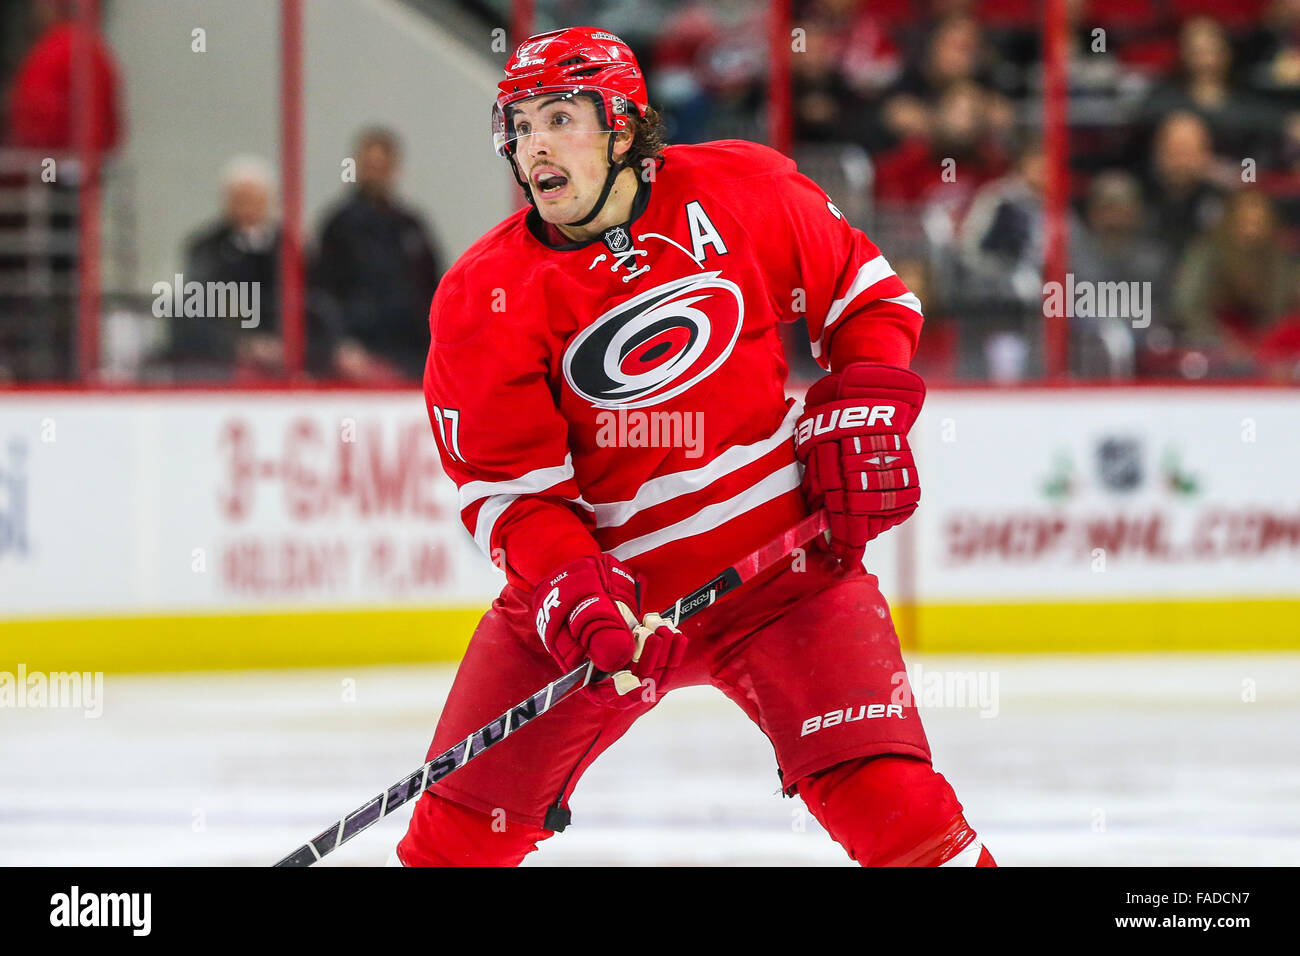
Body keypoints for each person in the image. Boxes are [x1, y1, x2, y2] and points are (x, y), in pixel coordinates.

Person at [395, 27, 995, 868]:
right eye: (520, 125)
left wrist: (865, 404)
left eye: (560, 117)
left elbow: (865, 300)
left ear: (626, 126)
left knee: (897, 811)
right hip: (607, 606)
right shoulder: (482, 298)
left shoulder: (744, 189)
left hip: (784, 579)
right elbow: (510, 493)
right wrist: (573, 591)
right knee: (456, 841)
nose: (534, 146)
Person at [312, 127, 442, 382]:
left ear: (394, 167)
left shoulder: (410, 225)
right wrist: (339, 343)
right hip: (358, 355)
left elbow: (433, 286)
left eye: (382, 165)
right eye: (370, 164)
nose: (376, 172)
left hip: (411, 352)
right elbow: (322, 292)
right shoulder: (339, 225)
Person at [168, 156, 283, 380]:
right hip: (222, 358)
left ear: (269, 202)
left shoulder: (288, 250)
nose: (247, 207)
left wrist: (278, 342)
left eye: (255, 199)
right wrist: (241, 343)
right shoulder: (205, 247)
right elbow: (201, 300)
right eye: (240, 199)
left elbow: (300, 301)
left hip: (280, 351)